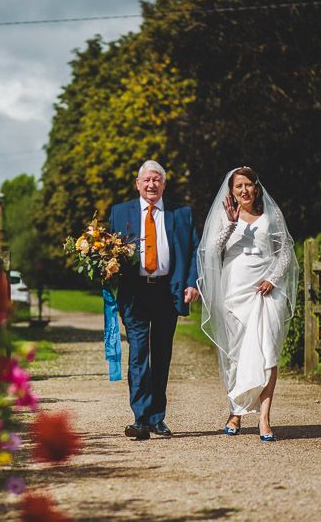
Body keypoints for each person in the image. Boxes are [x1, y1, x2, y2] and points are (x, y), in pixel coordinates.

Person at [196, 167, 298, 441]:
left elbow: (285, 252)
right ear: (231, 191)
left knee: (268, 352)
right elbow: (213, 252)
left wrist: (273, 279)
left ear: (256, 187)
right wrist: (230, 224)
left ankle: (264, 419)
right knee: (237, 354)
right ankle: (235, 413)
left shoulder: (272, 215)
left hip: (266, 292)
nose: (244, 190)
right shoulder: (224, 215)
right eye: (238, 186)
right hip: (234, 291)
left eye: (248, 185)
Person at [108, 160, 200, 440]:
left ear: (164, 184)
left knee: (162, 355)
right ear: (137, 183)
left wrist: (192, 282)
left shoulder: (181, 214)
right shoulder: (120, 212)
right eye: (146, 180)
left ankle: (157, 417)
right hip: (135, 293)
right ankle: (141, 418)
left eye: (156, 180)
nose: (151, 185)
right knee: (138, 354)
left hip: (167, 291)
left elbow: (196, 250)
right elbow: (109, 249)